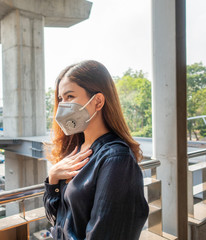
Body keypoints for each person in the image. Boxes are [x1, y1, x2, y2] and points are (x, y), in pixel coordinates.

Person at [43, 60, 149, 240]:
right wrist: (52, 179)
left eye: (70, 97)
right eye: (61, 99)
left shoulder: (116, 158)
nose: (62, 106)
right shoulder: (75, 149)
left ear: (98, 101)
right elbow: (56, 218)